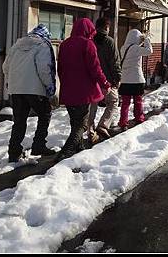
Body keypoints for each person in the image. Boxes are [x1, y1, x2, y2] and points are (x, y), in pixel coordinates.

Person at [57, 18, 111, 161]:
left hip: (68, 90)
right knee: (80, 124)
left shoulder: (64, 44)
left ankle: (79, 146)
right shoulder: (88, 44)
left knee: (75, 121)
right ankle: (65, 152)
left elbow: (60, 69)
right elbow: (95, 68)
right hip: (84, 91)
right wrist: (105, 83)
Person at [3, 24, 58, 163]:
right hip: (35, 89)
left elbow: (5, 67)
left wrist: (13, 81)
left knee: (19, 121)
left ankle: (14, 152)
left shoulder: (17, 45)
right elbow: (44, 69)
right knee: (45, 114)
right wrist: (50, 88)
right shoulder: (43, 45)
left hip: (16, 90)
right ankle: (39, 145)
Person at [88, 17, 122, 141]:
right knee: (113, 102)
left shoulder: (90, 41)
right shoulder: (110, 42)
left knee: (93, 105)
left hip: (92, 80)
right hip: (106, 80)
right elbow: (115, 62)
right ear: (107, 27)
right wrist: (117, 77)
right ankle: (103, 125)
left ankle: (90, 131)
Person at [118, 28, 153, 130]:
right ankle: (139, 118)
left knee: (125, 103)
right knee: (138, 101)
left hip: (125, 80)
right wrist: (146, 39)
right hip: (136, 79)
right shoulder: (136, 49)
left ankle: (123, 122)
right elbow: (149, 51)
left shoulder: (123, 48)